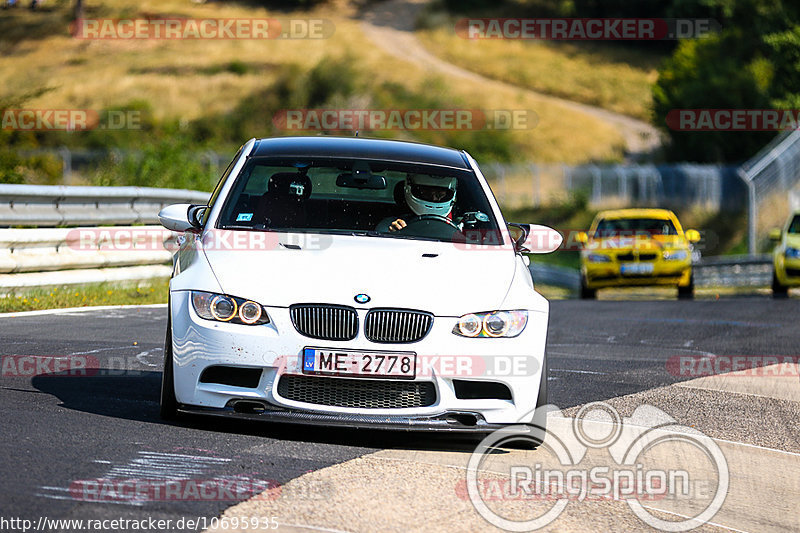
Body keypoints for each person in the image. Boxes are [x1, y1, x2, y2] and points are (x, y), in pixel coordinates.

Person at [378, 173, 457, 233]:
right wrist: (392, 235)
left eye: (439, 193)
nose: (434, 198)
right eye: (427, 192)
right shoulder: (390, 225)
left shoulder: (460, 227)